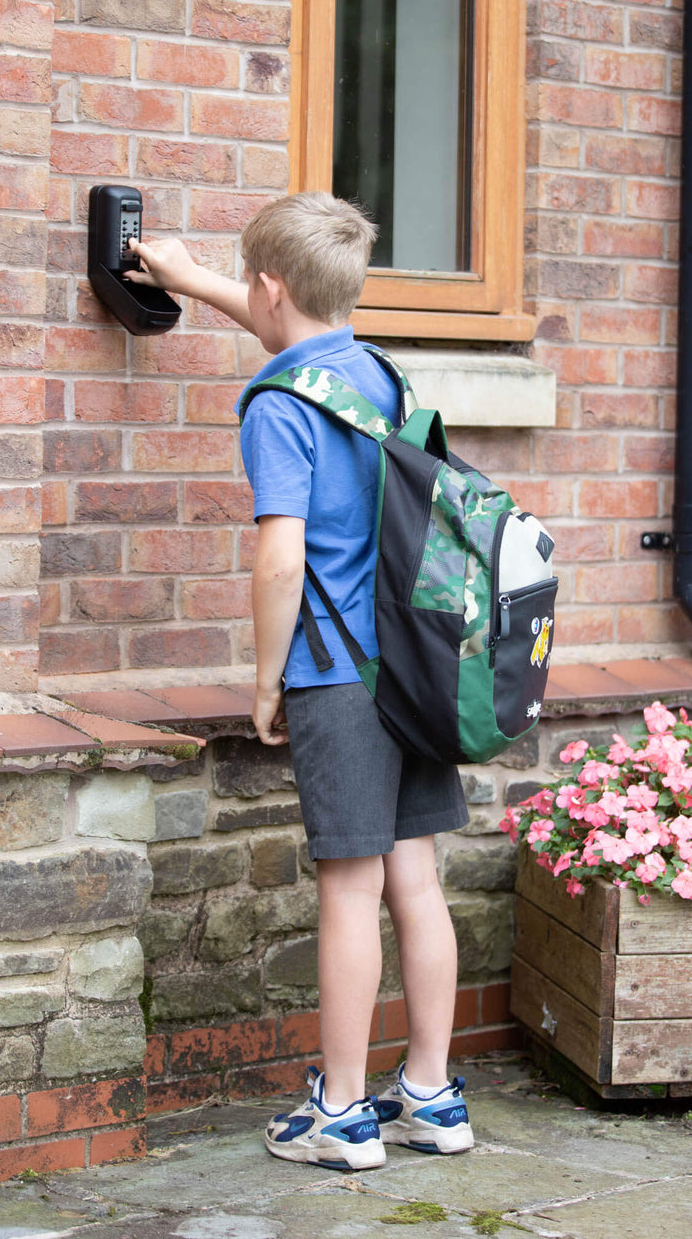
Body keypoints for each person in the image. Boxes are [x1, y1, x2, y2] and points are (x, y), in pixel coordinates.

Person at [127, 193, 473, 1170]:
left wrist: (268, 679)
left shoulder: (280, 408)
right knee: (417, 879)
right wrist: (194, 280)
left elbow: (280, 560)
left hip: (337, 672)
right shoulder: (381, 376)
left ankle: (342, 1112)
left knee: (349, 892)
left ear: (270, 286)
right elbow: (294, 328)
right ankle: (431, 1097)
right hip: (417, 666)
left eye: (244, 283)